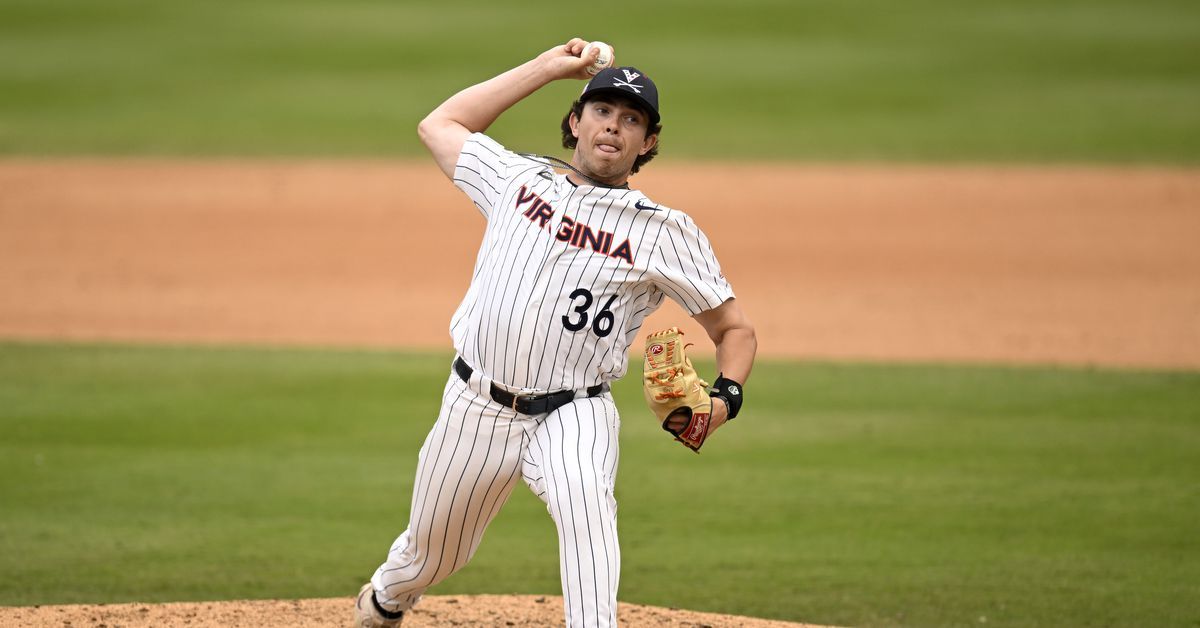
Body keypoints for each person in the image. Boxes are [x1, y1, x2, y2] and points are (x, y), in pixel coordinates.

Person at [354, 37, 757, 628]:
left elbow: (734, 328)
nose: (613, 127)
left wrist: (726, 399)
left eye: (631, 120)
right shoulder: (517, 180)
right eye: (602, 111)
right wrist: (547, 68)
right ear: (576, 120)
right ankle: (390, 595)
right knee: (433, 554)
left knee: (587, 508)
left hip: (575, 410)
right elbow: (440, 124)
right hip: (476, 406)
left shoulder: (666, 233)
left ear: (648, 144)